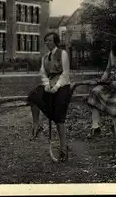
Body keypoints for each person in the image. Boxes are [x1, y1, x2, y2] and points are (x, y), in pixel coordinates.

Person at [27, 32, 72, 162]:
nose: (47, 43)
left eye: (50, 40)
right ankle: (36, 124)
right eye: (46, 40)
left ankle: (63, 149)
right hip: (50, 85)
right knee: (33, 96)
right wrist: (47, 85)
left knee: (59, 117)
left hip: (62, 86)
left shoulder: (62, 54)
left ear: (56, 41)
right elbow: (43, 73)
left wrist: (56, 87)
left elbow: (65, 74)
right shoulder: (45, 57)